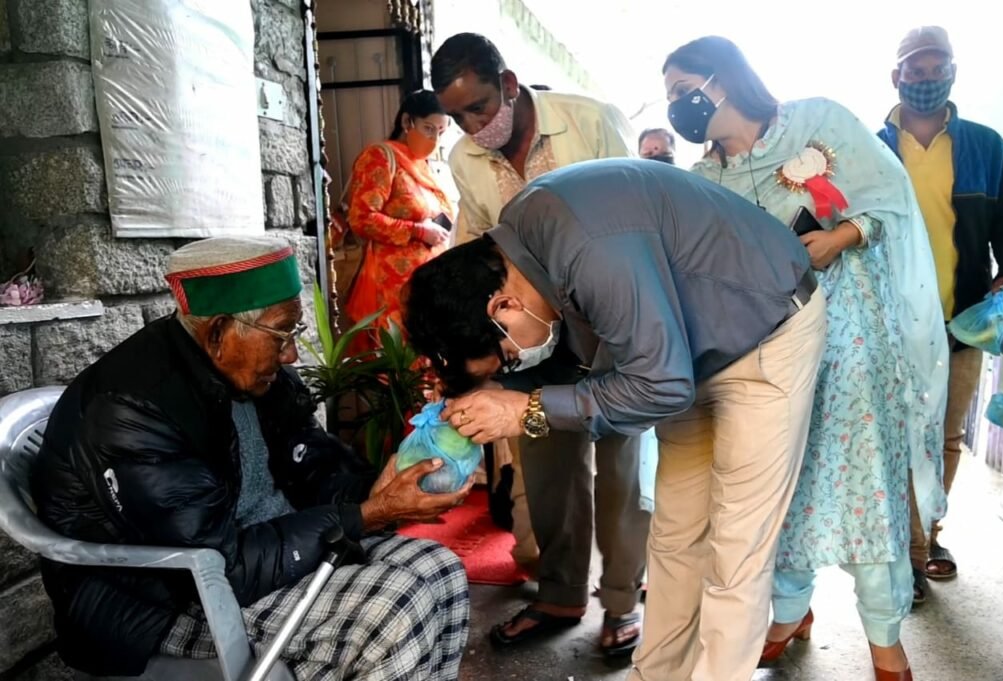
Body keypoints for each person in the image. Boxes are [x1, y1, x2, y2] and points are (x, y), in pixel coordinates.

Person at [403, 158, 827, 681]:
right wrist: (500, 395)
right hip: (687, 352)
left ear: (504, 306)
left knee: (737, 545)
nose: (517, 367)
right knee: (675, 535)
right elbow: (635, 369)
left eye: (508, 359)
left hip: (767, 330)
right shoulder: (523, 243)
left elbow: (660, 386)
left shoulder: (587, 249)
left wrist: (528, 408)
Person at [32, 237, 471, 680]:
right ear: (219, 333)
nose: (291, 353)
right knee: (394, 608)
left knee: (442, 572)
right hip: (163, 601)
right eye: (281, 333)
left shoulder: (261, 377)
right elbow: (220, 567)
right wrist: (367, 514)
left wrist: (377, 490)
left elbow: (312, 466)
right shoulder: (133, 408)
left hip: (263, 553)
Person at [662, 36, 949, 681]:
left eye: (684, 91)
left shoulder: (817, 120)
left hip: (851, 347)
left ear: (722, 80)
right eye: (671, 97)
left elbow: (889, 198)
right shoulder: (702, 180)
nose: (679, 106)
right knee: (778, 491)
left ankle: (884, 638)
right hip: (764, 357)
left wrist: (840, 236)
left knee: (864, 485)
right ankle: (788, 612)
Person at [430, 32, 648, 655]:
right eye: (456, 117)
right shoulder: (466, 159)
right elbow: (475, 244)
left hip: (615, 323)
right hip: (534, 339)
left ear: (508, 84)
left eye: (478, 107)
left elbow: (641, 215)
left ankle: (622, 602)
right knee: (546, 468)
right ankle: (559, 593)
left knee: (622, 468)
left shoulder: (590, 121)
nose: (472, 127)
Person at [878, 26, 1003, 598]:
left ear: (954, 73)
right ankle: (902, 546)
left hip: (961, 319)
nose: (927, 79)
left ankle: (924, 540)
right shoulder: (870, 147)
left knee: (943, 437)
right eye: (916, 70)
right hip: (887, 321)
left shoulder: (987, 147)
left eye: (938, 68)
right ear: (896, 76)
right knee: (894, 435)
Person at [345, 90, 454, 346]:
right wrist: (417, 230)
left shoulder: (424, 166)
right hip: (391, 288)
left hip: (426, 287)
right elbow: (361, 218)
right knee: (398, 358)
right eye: (428, 129)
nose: (434, 139)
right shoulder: (380, 157)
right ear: (407, 121)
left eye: (441, 132)